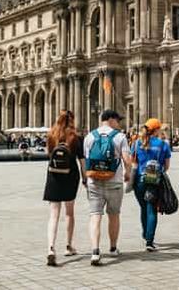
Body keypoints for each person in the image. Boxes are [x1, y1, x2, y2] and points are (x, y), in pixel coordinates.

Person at [84, 109, 131, 266]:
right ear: (111, 120)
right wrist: (127, 174)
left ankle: (95, 251)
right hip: (114, 181)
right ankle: (112, 248)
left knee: (95, 215)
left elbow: (87, 159)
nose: (119, 123)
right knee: (114, 215)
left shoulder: (89, 136)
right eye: (118, 120)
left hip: (94, 181)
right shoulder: (120, 136)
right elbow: (127, 160)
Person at [43, 111, 85, 266]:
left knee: (53, 215)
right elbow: (81, 160)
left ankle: (51, 248)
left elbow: (49, 155)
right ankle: (68, 246)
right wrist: (85, 178)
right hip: (70, 175)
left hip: (53, 175)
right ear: (72, 120)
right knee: (69, 213)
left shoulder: (51, 135)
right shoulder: (75, 137)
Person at [131, 118, 171, 252]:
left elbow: (133, 163)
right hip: (154, 180)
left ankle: (145, 233)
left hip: (139, 180)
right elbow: (166, 166)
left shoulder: (136, 143)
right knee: (152, 209)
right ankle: (149, 240)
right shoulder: (163, 144)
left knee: (143, 207)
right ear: (157, 130)